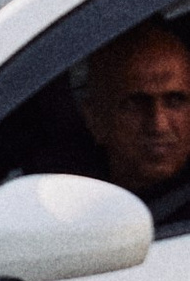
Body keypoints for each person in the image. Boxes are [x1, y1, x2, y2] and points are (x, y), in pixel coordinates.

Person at [79, 16, 190, 221]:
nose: (159, 125)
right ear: (95, 117)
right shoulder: (70, 204)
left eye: (175, 101)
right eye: (135, 105)